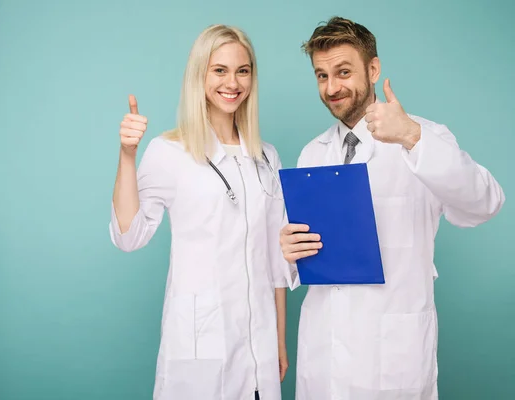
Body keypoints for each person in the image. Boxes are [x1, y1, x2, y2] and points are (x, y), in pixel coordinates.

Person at [279, 16, 505, 400]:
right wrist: (287, 249)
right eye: (321, 75)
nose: (332, 87)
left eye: (343, 72)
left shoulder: (424, 135)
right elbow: (303, 251)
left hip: (391, 353)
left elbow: (485, 203)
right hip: (324, 354)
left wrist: (412, 138)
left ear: (373, 68)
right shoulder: (311, 153)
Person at [109, 24, 290, 400]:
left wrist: (280, 341)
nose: (233, 82)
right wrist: (128, 155)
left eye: (243, 70)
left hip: (258, 348)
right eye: (219, 70)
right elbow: (129, 235)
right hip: (199, 346)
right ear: (200, 75)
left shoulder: (267, 157)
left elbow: (276, 258)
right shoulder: (169, 152)